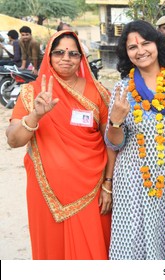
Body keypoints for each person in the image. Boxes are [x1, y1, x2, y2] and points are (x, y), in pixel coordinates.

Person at [5, 30, 113, 259]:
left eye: (73, 53)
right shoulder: (32, 92)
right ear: (49, 56)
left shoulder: (98, 92)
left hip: (92, 190)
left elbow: (111, 144)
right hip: (46, 192)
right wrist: (36, 115)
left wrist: (107, 185)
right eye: (59, 52)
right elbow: (13, 140)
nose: (66, 58)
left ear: (81, 58)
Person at [105, 20, 165, 260]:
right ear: (126, 53)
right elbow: (114, 143)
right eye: (132, 47)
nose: (141, 50)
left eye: (146, 43)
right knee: (134, 244)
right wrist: (115, 121)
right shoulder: (122, 89)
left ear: (157, 44)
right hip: (134, 182)